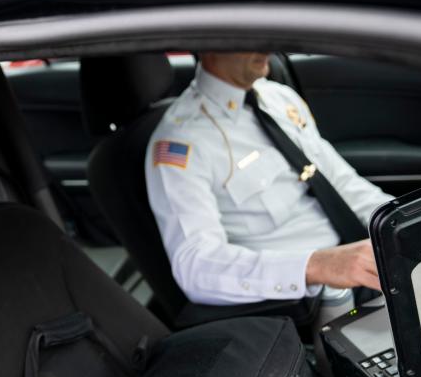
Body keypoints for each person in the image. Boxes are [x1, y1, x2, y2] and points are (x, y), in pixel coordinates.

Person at [144, 52, 393, 310]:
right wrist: (317, 265)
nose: (266, 45)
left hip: (365, 263)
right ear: (209, 45)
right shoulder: (180, 143)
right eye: (247, 35)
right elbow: (196, 266)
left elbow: (343, 184)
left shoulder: (280, 98)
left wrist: (404, 222)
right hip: (313, 300)